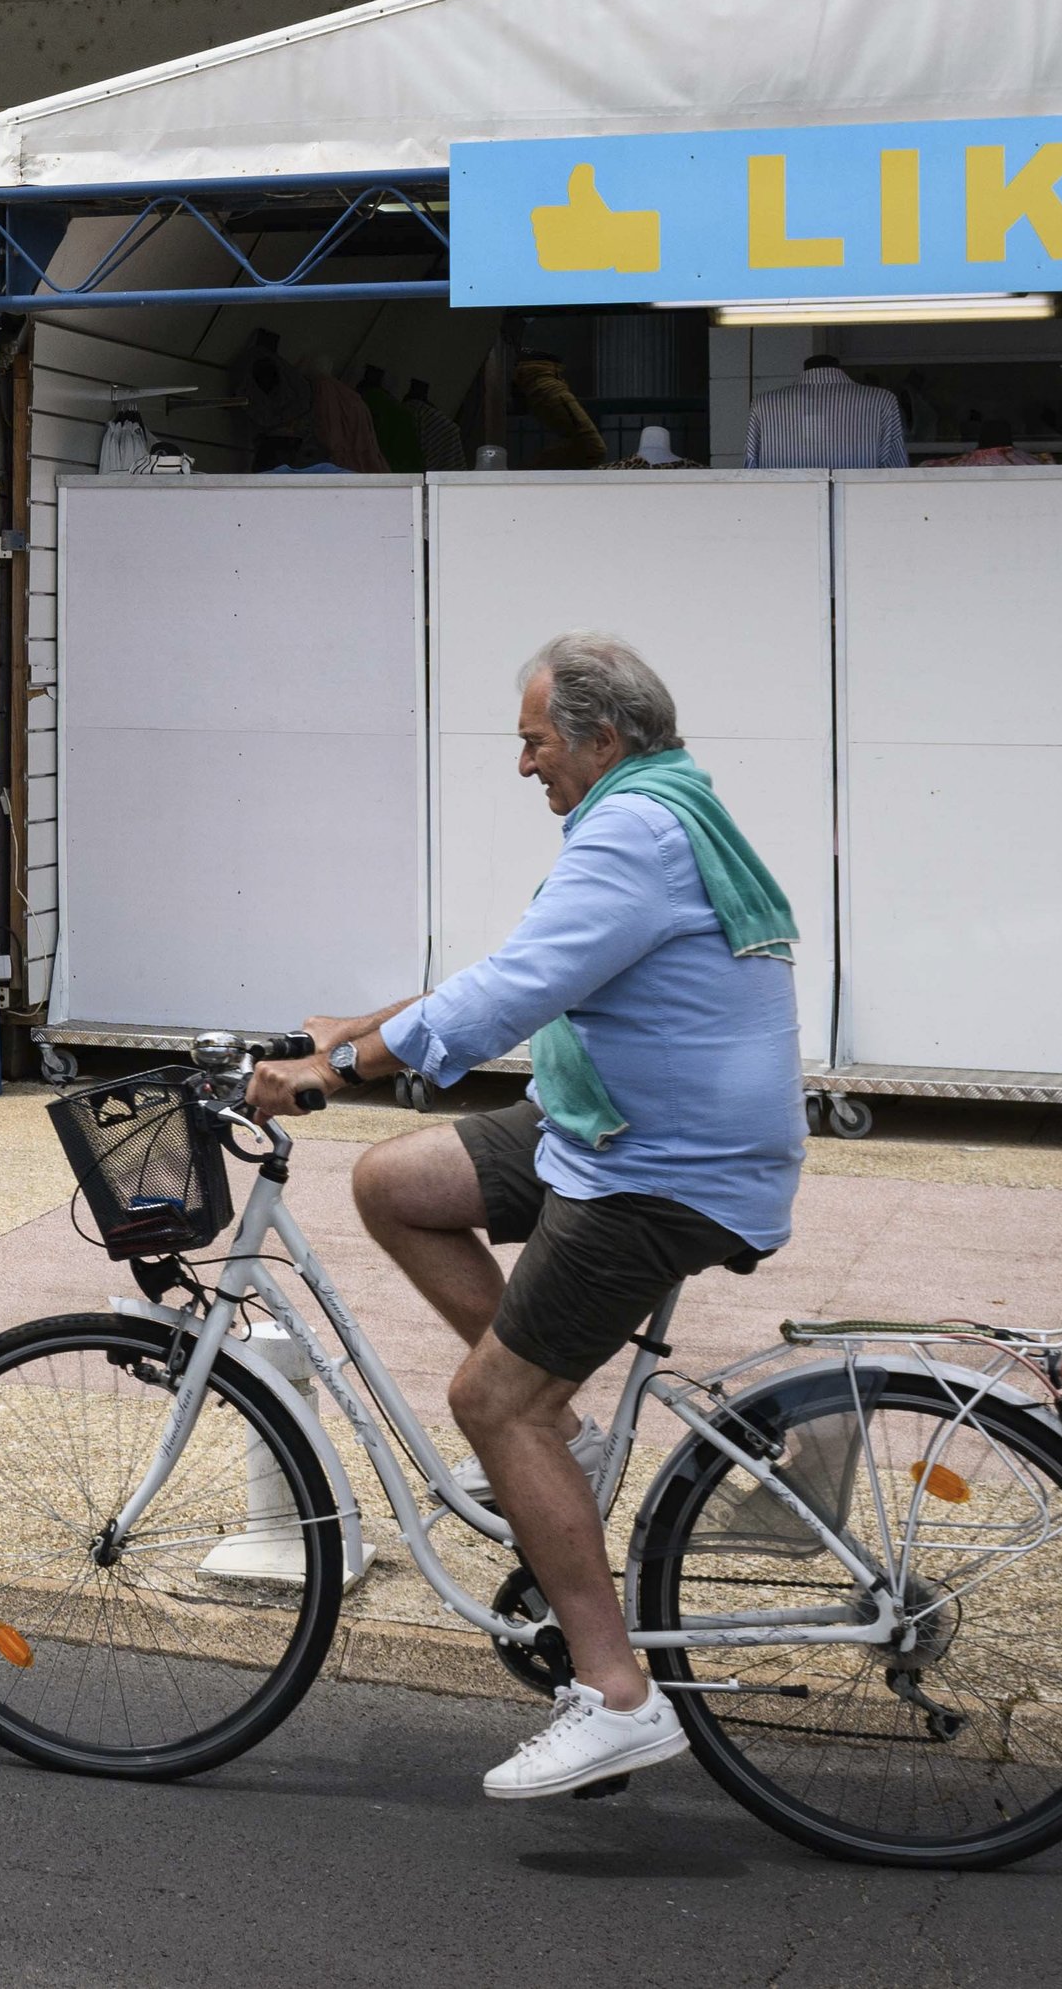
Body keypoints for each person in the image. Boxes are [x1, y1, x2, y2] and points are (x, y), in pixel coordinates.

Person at [269, 631, 804, 1802]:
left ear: (599, 740)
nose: (523, 765)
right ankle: (541, 1427)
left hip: (662, 1168)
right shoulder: (658, 808)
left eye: (533, 740)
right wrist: (350, 1030)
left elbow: (512, 992)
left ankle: (614, 1695)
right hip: (607, 1125)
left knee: (487, 1399)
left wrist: (340, 1075)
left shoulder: (633, 827)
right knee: (393, 1184)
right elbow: (527, 968)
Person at [744, 350, 911, 470]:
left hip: (783, 511)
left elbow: (751, 473)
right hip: (860, 511)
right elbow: (896, 473)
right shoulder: (881, 400)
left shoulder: (764, 404)